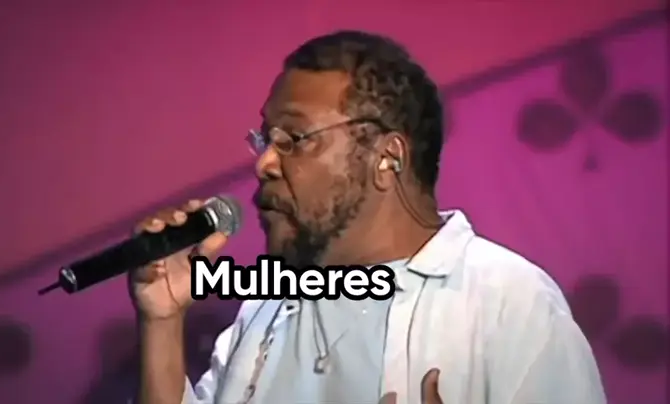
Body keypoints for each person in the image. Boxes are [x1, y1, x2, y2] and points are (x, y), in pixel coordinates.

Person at [129, 30, 607, 404]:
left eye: (293, 139)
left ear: (387, 157)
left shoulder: (507, 305)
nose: (265, 164)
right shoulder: (265, 310)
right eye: (264, 140)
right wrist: (162, 324)